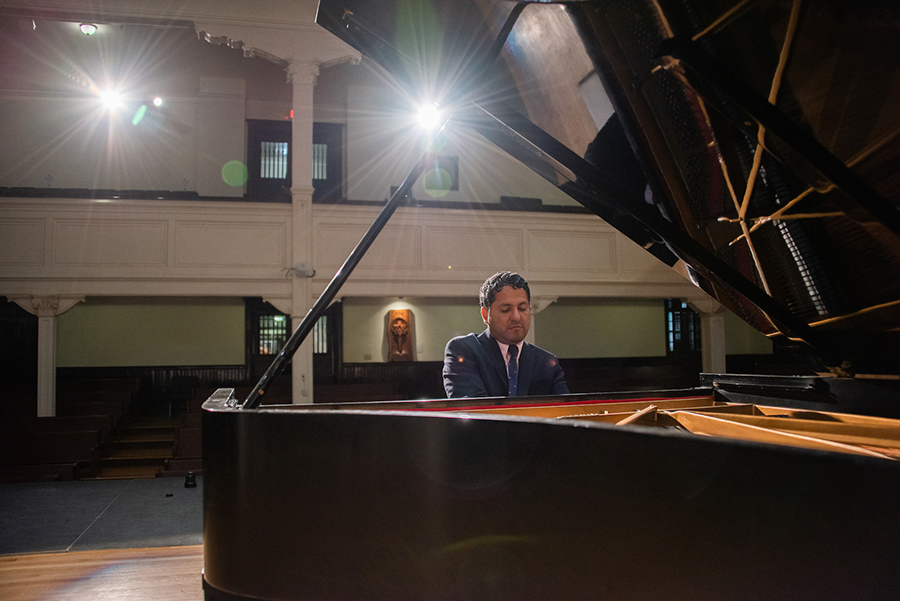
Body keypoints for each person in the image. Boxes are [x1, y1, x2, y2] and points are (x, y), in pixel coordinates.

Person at [443, 271, 569, 398]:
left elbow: (566, 411)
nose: (516, 317)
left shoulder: (546, 361)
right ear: (485, 315)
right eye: (506, 310)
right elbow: (474, 410)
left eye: (522, 308)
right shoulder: (463, 350)